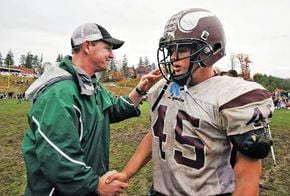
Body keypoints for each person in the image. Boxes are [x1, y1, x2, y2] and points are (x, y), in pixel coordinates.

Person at [106, 8, 274, 195]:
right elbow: (158, 132)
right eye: (170, 50)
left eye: (182, 49)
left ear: (208, 50)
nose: (172, 58)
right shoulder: (164, 87)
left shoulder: (229, 95)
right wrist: (127, 172)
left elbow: (248, 169)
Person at [22, 23, 161, 195]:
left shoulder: (90, 85)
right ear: (87, 46)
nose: (112, 55)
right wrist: (95, 185)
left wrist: (140, 89)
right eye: (107, 48)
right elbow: (59, 158)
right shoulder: (59, 94)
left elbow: (113, 109)